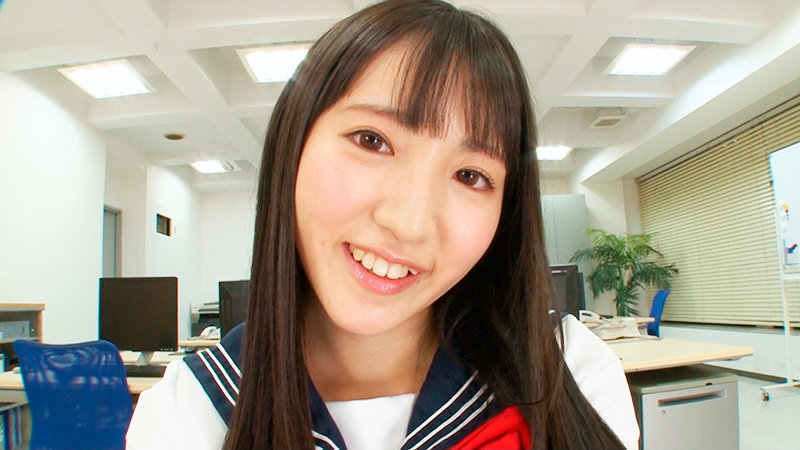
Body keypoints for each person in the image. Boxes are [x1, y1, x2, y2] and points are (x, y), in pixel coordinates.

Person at [126, 0, 639, 448]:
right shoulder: (186, 414)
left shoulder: (570, 375)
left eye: (470, 175)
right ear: (293, 144)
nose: (409, 223)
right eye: (373, 141)